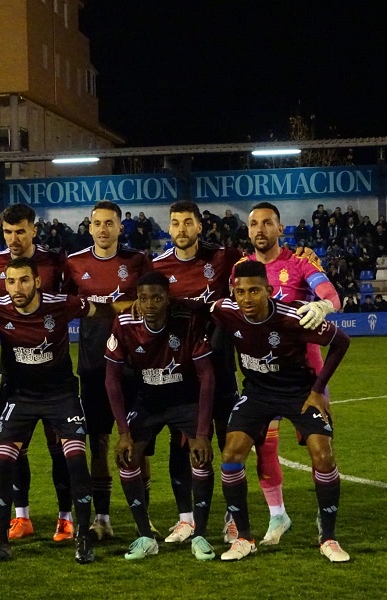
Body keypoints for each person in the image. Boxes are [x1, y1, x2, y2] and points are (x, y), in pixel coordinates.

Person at [0, 256, 129, 565]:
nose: (17, 287)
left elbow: (100, 311)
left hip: (61, 396)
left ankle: (82, 537)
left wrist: (132, 308)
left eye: (24, 280)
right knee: (3, 465)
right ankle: (1, 543)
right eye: (11, 281)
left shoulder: (62, 304)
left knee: (76, 462)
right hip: (20, 398)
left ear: (37, 281)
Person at [212, 260, 351, 563]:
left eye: (254, 291)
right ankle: (244, 538)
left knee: (323, 456)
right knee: (231, 453)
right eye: (240, 292)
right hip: (258, 394)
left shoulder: (293, 319)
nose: (246, 299)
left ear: (269, 291)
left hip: (299, 394)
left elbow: (341, 341)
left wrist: (318, 390)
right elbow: (196, 309)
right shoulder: (225, 309)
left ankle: (328, 537)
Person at [229, 201, 341, 546]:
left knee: (321, 450)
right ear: (248, 231)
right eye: (254, 224)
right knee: (263, 449)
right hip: (261, 376)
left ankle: (326, 524)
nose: (260, 230)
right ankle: (278, 516)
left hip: (304, 375)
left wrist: (323, 305)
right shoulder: (241, 269)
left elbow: (331, 295)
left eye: (267, 223)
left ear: (281, 228)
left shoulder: (301, 263)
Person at [105, 271, 216, 561]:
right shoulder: (125, 323)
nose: (150, 304)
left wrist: (203, 433)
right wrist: (123, 433)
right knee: (128, 456)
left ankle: (200, 534)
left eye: (157, 297)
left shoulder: (187, 321)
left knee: (201, 455)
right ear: (137, 302)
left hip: (185, 399)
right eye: (143, 298)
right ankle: (144, 536)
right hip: (148, 400)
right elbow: (111, 379)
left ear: (168, 298)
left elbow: (207, 377)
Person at [152, 200, 243, 544]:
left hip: (219, 364)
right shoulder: (158, 266)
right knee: (182, 443)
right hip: (180, 370)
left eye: (187, 223)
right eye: (175, 223)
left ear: (199, 226)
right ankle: (186, 518)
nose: (181, 230)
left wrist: (302, 255)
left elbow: (262, 265)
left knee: (227, 441)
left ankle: (232, 517)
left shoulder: (224, 258)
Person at [62, 200, 152, 541]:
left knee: (140, 442)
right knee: (98, 440)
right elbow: (66, 306)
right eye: (97, 223)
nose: (102, 229)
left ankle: (144, 516)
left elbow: (150, 301)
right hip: (93, 365)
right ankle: (102, 517)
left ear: (119, 226)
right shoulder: (74, 264)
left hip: (134, 364)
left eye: (109, 223)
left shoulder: (137, 261)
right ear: (90, 227)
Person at [0, 204, 69, 541]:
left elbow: (71, 303)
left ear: (34, 229)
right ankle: (21, 516)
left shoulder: (55, 262)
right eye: (8, 232)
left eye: (20, 231)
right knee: (14, 447)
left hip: (55, 375)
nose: (14, 239)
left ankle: (65, 518)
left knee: (59, 448)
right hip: (14, 372)